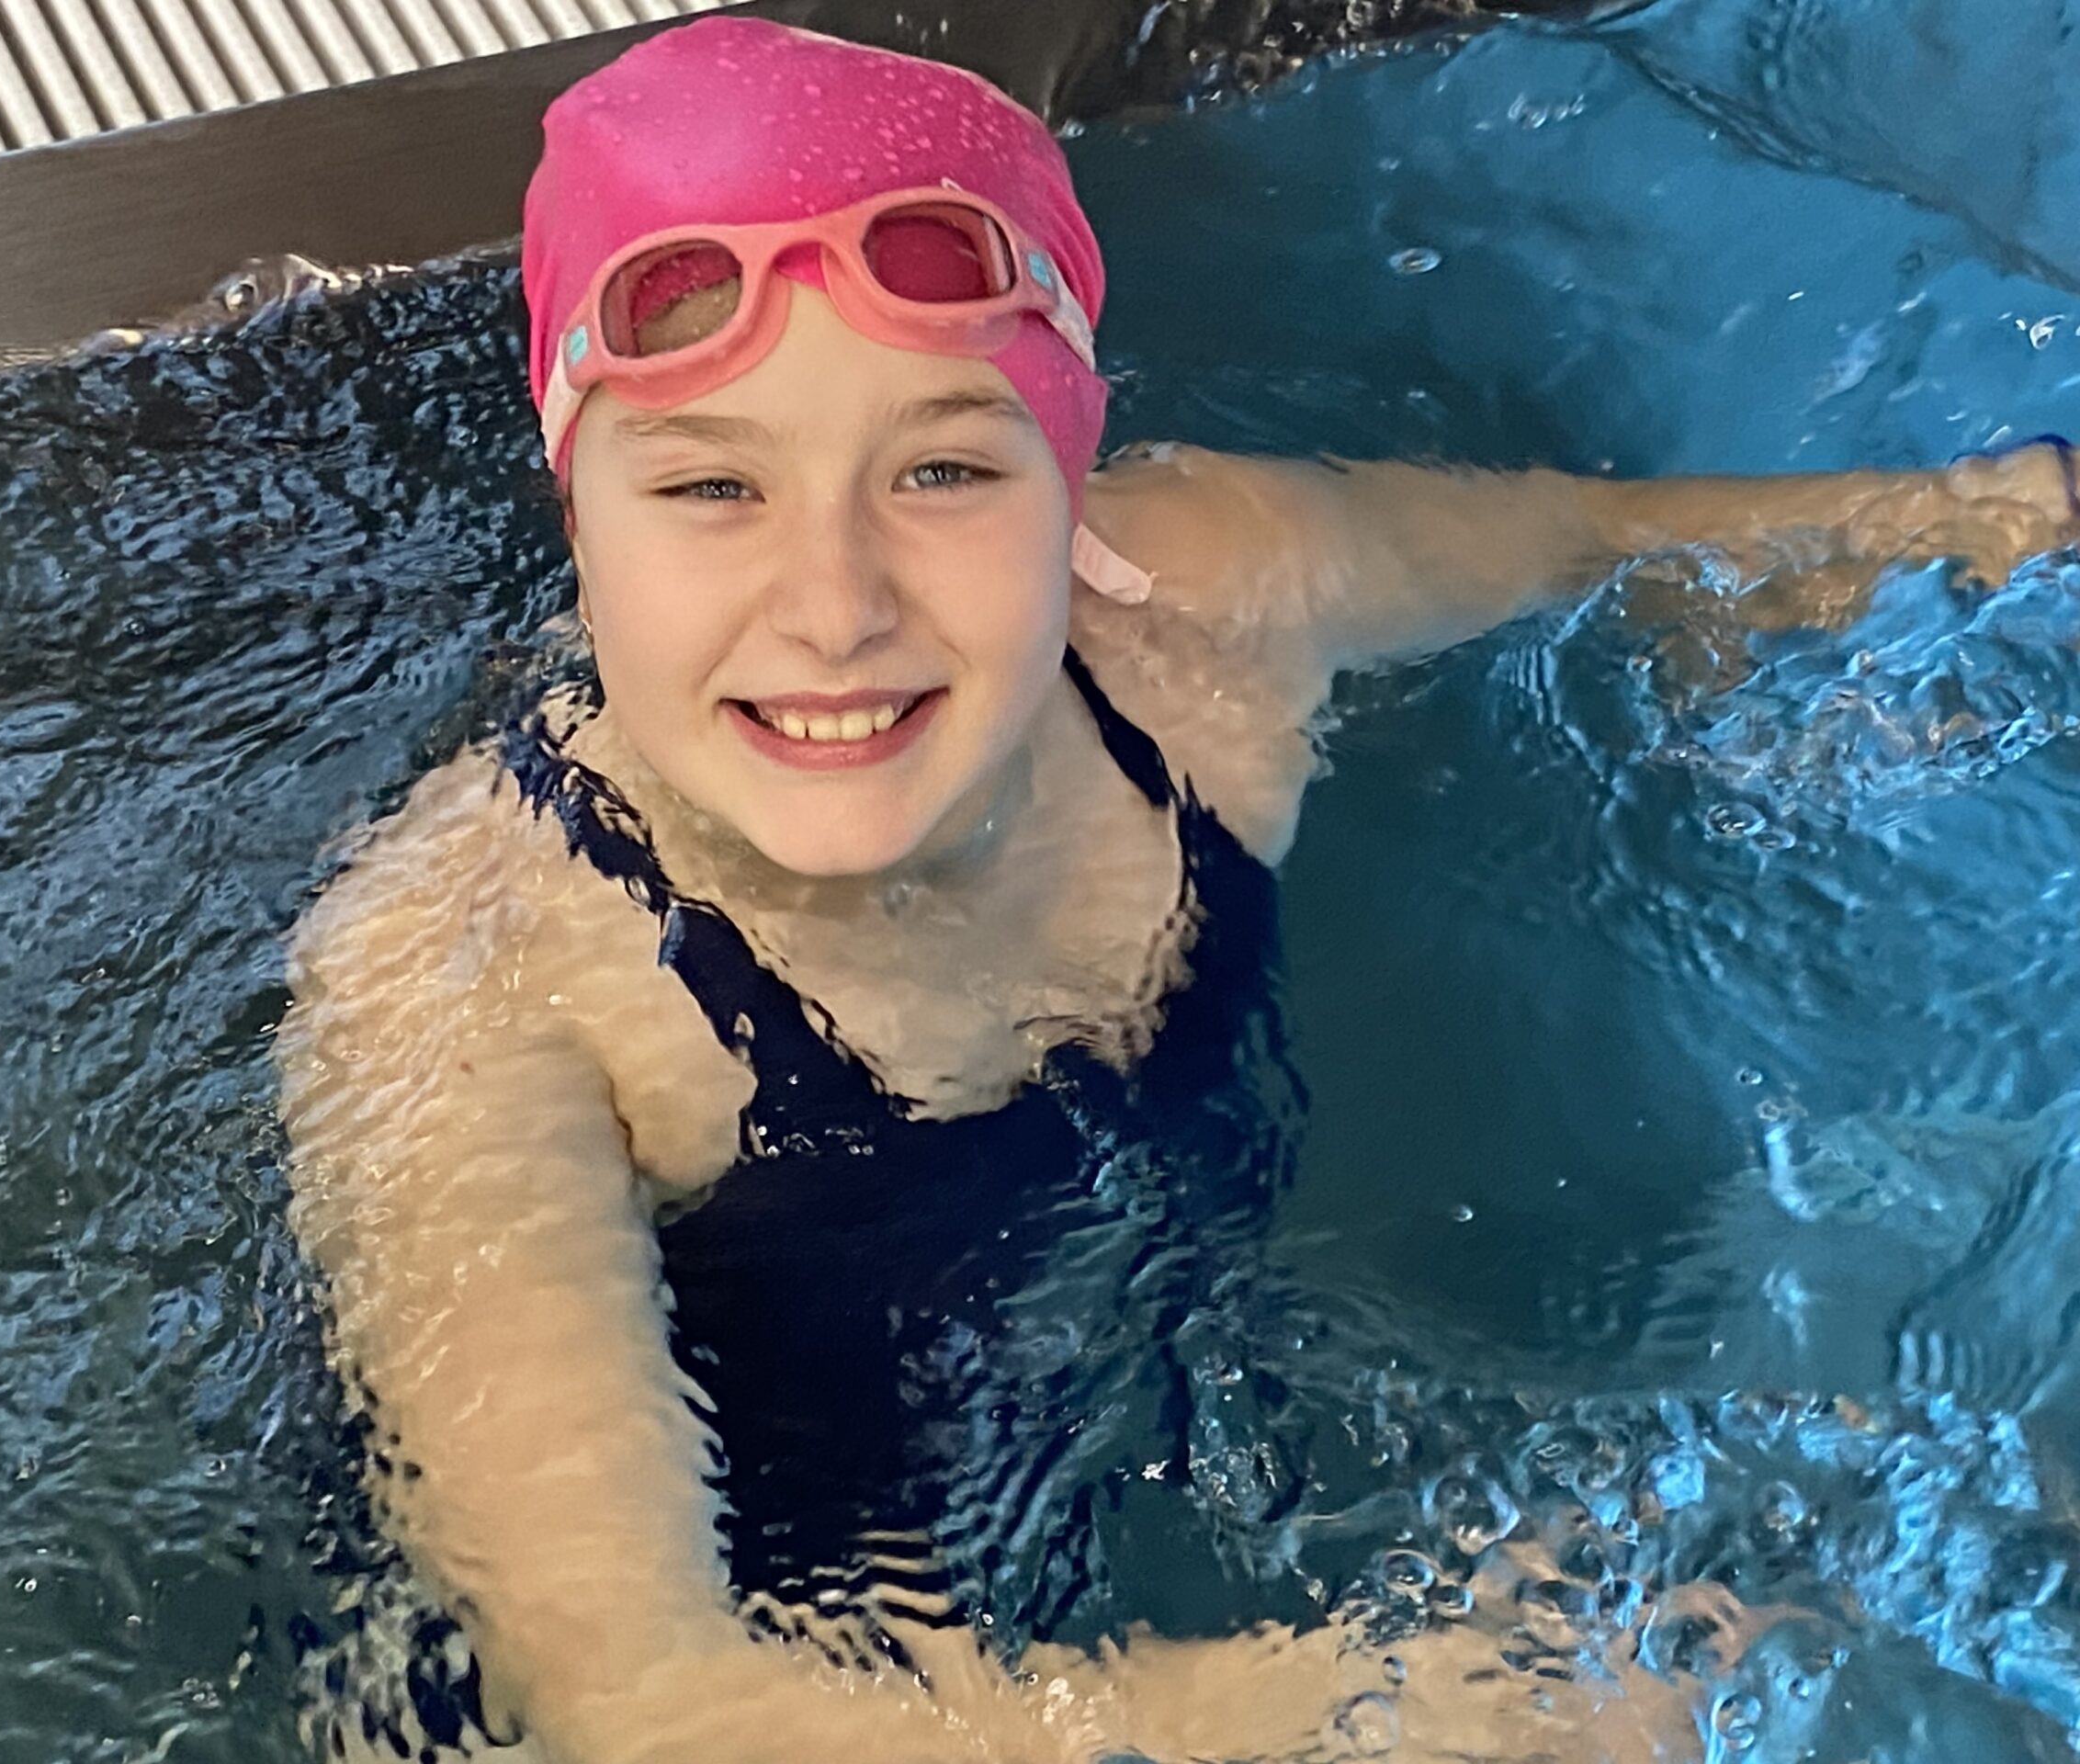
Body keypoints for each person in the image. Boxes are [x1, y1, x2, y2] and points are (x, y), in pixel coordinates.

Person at [276, 17, 2079, 1762]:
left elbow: (1600, 545)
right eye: (709, 488)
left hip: (1093, 1517)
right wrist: (1437, 1709)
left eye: (943, 469)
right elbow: (649, 1712)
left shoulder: (1198, 616)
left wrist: (1986, 519)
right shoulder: (464, 973)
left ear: (1069, 476)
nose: (833, 608)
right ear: (577, 514)